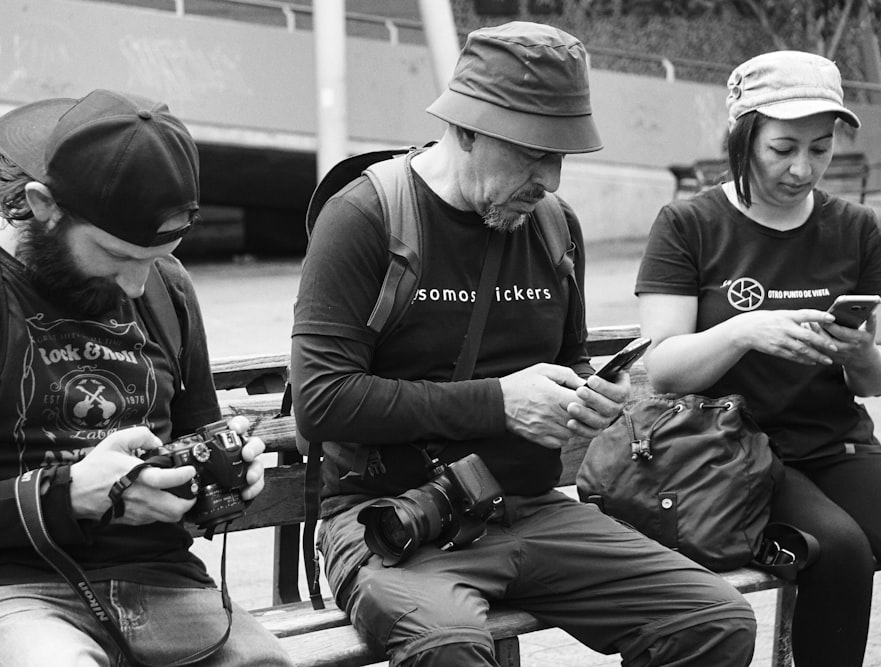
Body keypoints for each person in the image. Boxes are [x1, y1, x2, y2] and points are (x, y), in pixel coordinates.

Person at [291, 22, 756, 667]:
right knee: (448, 647)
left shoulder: (555, 228)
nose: (552, 178)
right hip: (393, 522)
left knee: (714, 619)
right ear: (467, 127)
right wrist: (498, 404)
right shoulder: (365, 217)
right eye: (535, 152)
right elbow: (320, 404)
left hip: (531, 508)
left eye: (563, 155)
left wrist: (595, 395)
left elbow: (570, 361)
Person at [0, 89, 293, 667]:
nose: (136, 285)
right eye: (114, 255)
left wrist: (217, 480)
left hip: (163, 582)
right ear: (42, 204)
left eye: (154, 258)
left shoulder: (166, 286)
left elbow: (196, 438)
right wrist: (67, 498)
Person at [636, 50, 881, 666]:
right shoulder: (689, 223)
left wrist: (860, 353)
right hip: (726, 454)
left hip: (834, 446)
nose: (803, 168)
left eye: (821, 147)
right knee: (838, 548)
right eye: (783, 148)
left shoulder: (854, 227)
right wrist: (744, 331)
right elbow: (664, 368)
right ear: (743, 134)